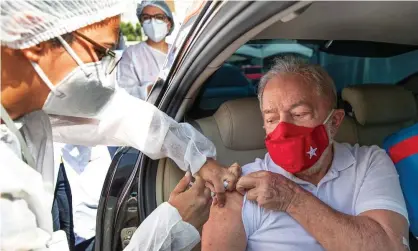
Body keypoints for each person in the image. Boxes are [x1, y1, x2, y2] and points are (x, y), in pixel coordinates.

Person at [0, 1, 240, 251]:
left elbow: (119, 113)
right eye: (101, 52)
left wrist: (199, 158)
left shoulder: (27, 113)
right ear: (32, 35)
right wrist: (169, 228)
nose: (103, 72)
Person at [202, 57, 410, 251]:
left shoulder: (369, 163)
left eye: (299, 114)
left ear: (335, 121)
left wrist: (292, 199)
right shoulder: (241, 188)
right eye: (272, 119)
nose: (284, 129)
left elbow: (390, 246)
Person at [118, 0, 174, 100]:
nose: (153, 22)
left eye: (159, 17)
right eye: (146, 18)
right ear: (142, 24)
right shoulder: (132, 54)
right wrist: (150, 90)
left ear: (169, 24)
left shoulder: (178, 52)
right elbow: (124, 92)